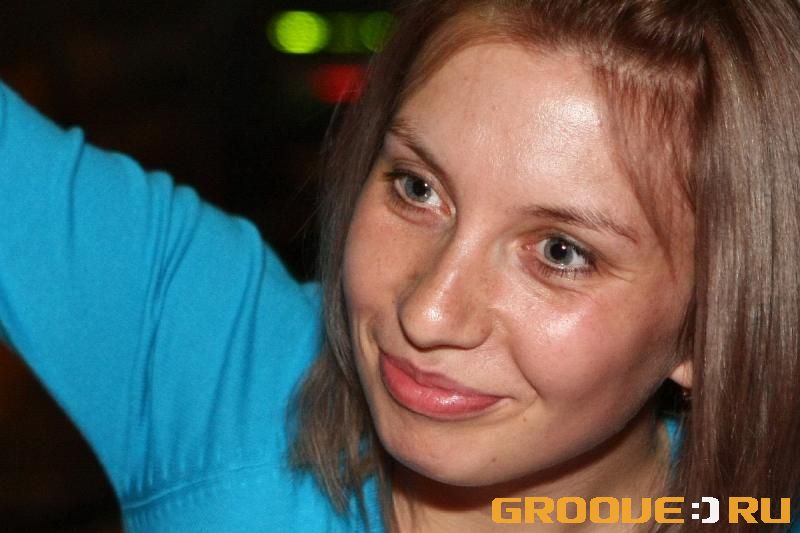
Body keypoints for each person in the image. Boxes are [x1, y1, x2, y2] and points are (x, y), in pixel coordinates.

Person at [1, 0, 799, 531]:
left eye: (561, 251)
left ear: (713, 321)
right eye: (417, 188)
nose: (428, 311)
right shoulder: (218, 372)